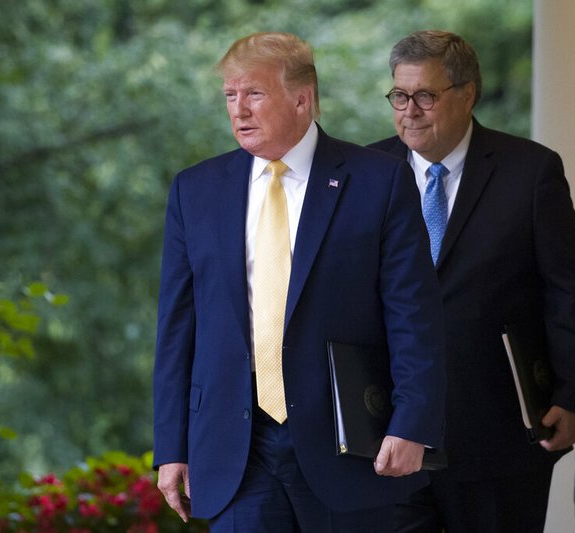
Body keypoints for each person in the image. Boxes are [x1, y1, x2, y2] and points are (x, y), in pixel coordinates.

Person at [152, 31, 446, 532]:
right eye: (230, 95)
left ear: (302, 98)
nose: (238, 109)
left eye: (254, 94)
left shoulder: (379, 180)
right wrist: (172, 446)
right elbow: (177, 328)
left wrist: (412, 421)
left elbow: (413, 314)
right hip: (234, 448)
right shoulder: (195, 190)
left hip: (346, 445)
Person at [369, 30, 575, 533]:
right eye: (399, 96)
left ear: (467, 93)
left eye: (425, 96)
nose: (409, 110)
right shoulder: (365, 172)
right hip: (388, 435)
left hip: (497, 436)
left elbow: (568, 292)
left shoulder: (531, 171)